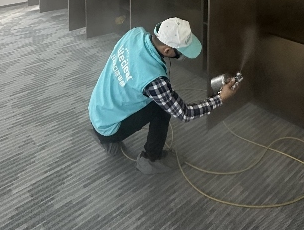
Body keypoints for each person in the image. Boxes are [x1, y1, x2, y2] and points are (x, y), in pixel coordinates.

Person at [88, 17, 241, 174]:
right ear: (167, 50)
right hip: (109, 127)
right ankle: (151, 159)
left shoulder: (135, 34)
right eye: (181, 52)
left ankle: (105, 136)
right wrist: (220, 98)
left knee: (161, 99)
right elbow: (185, 113)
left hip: (97, 109)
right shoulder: (154, 80)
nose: (183, 55)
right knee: (162, 108)